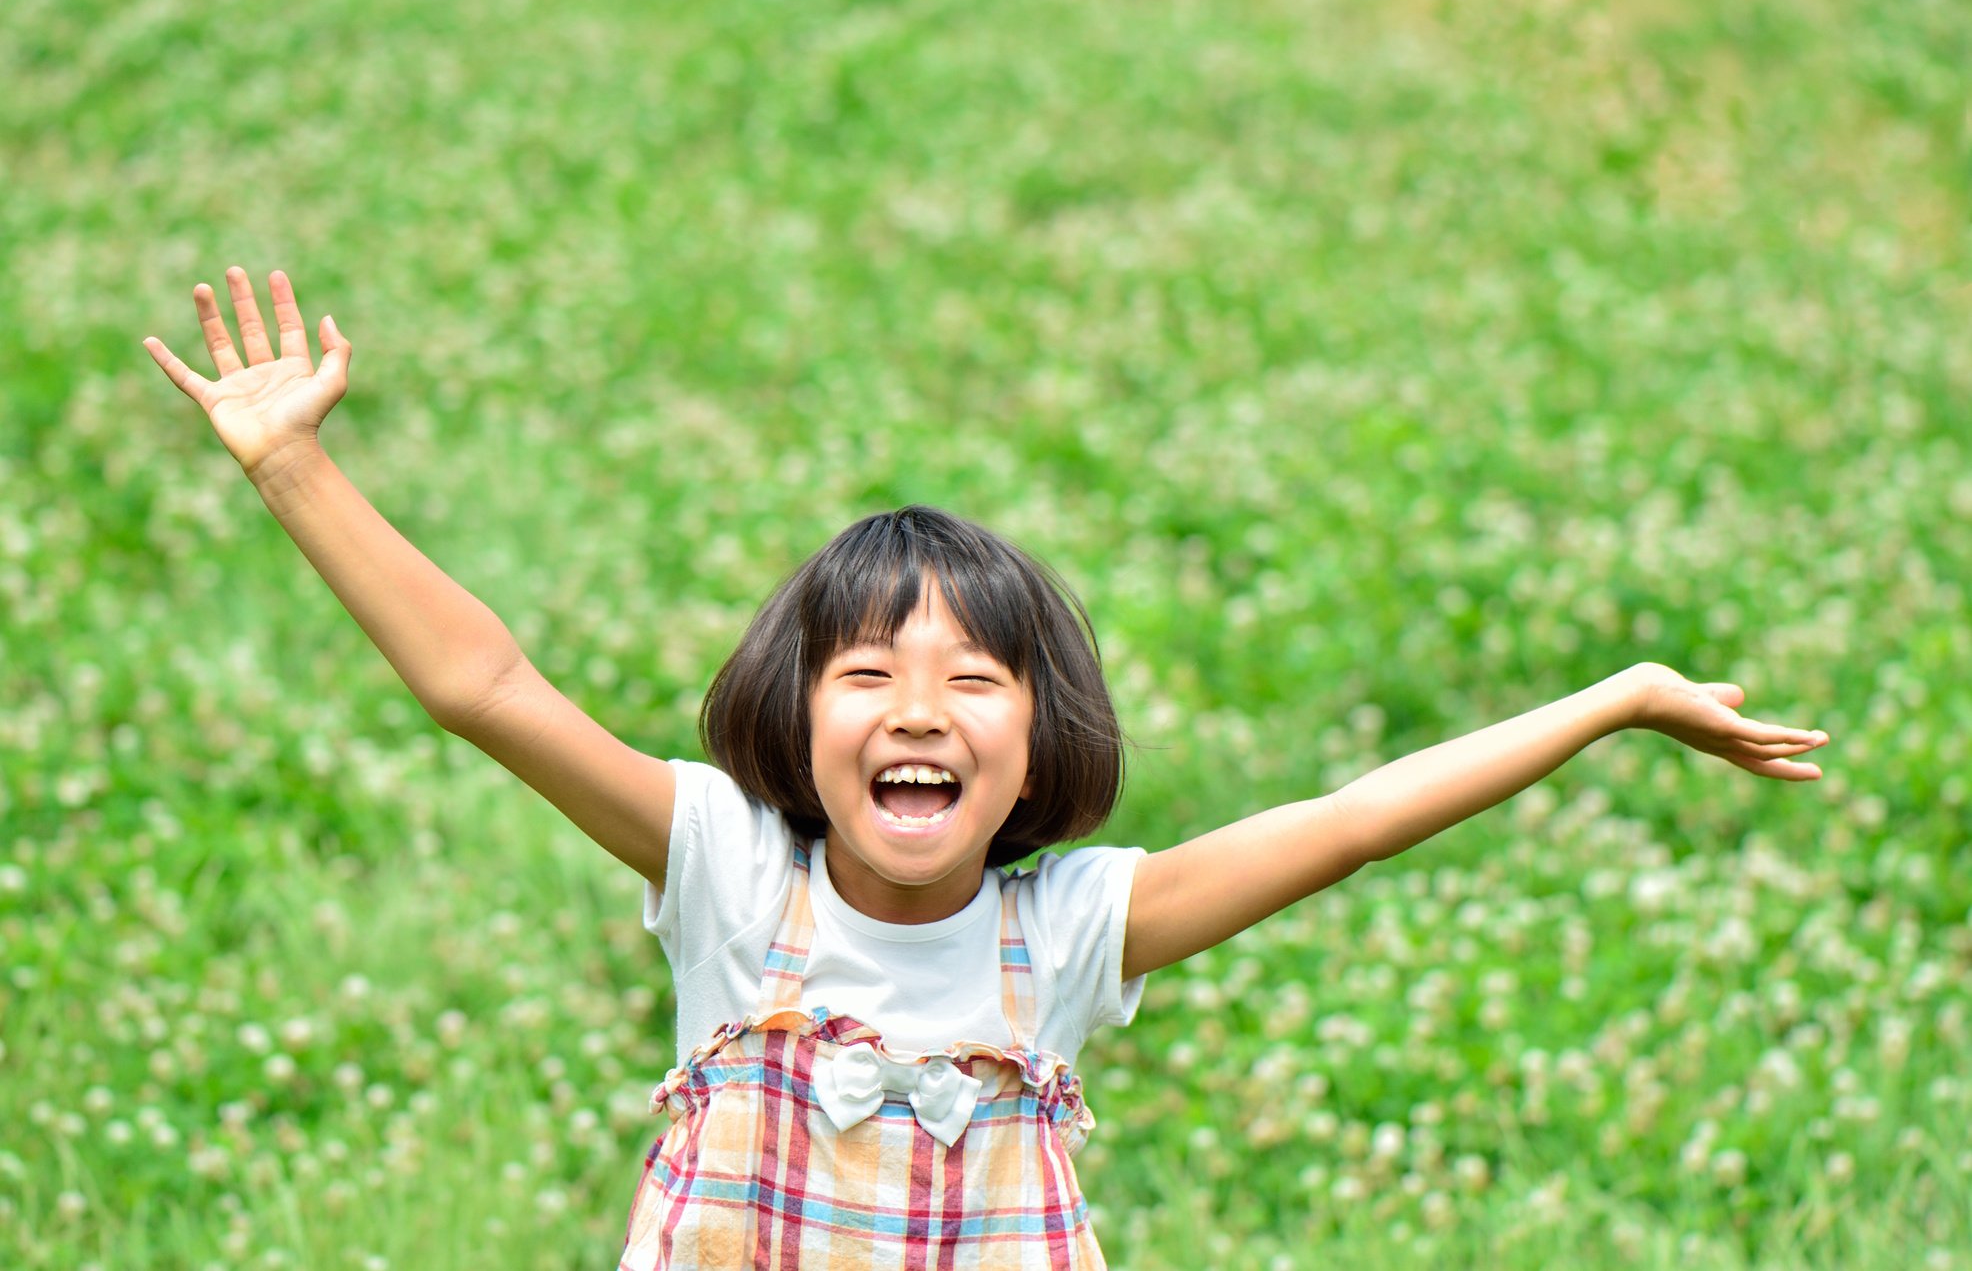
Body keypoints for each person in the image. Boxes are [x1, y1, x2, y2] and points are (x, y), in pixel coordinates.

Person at [145, 270, 1831, 1270]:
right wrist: (293, 466)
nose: (917, 709)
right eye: (867, 673)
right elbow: (485, 683)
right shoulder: (730, 865)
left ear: (1042, 744)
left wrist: (1612, 695)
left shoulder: (1078, 928)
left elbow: (1347, 826)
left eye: (973, 679)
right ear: (796, 719)